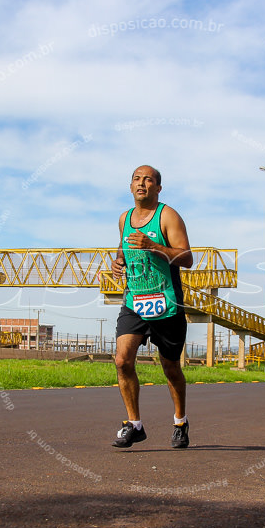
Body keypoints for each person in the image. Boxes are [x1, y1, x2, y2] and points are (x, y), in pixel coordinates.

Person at [111, 165, 193, 449]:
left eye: (148, 179)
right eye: (136, 178)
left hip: (166, 303)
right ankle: (134, 425)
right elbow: (123, 248)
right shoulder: (124, 218)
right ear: (130, 186)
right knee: (122, 360)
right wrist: (118, 262)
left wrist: (153, 245)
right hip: (134, 300)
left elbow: (186, 257)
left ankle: (180, 422)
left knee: (170, 367)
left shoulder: (167, 216)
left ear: (158, 188)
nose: (141, 183)